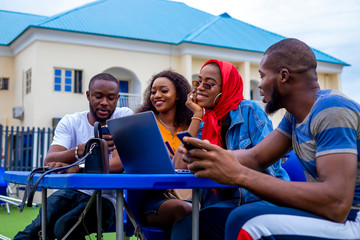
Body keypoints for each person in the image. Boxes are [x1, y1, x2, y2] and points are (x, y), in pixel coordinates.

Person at [181, 38, 360, 240]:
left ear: (283, 76)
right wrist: (210, 155)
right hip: (330, 216)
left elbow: (337, 204)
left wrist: (239, 175)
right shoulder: (294, 117)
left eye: (262, 76)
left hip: (352, 220)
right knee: (218, 220)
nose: (260, 86)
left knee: (247, 223)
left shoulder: (332, 109)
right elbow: (256, 156)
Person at [171, 59, 289, 240]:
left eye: (208, 84)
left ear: (225, 87)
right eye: (198, 82)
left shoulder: (249, 111)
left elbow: (270, 165)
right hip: (224, 202)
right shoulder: (206, 122)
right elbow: (179, 167)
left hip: (259, 198)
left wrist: (224, 162)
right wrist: (196, 115)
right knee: (187, 222)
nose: (200, 88)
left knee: (196, 224)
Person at [14, 73, 133, 240]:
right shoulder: (71, 122)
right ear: (88, 95)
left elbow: (118, 165)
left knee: (65, 226)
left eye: (111, 98)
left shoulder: (123, 116)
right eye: (98, 96)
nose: (104, 102)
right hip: (70, 191)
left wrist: (78, 167)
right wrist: (81, 150)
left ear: (118, 98)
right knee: (36, 229)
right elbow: (49, 160)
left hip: (105, 198)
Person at [136, 70, 193, 230]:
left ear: (178, 95)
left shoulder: (190, 126)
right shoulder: (143, 124)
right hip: (156, 197)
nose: (156, 95)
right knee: (186, 210)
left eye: (164, 90)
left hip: (191, 193)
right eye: (153, 92)